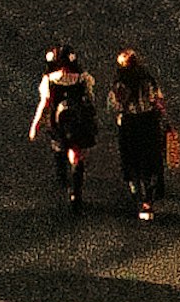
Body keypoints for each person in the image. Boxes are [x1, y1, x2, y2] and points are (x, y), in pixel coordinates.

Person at [31, 41, 100, 205]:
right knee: (77, 154)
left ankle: (63, 177)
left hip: (58, 123)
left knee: (59, 147)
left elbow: (45, 103)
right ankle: (76, 191)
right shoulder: (83, 78)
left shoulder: (49, 80)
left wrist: (36, 125)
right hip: (79, 121)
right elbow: (90, 98)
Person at [110, 47, 171, 220]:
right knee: (151, 159)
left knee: (130, 160)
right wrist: (165, 120)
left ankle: (137, 193)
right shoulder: (148, 79)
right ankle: (149, 199)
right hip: (149, 121)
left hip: (129, 123)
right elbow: (158, 100)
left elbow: (113, 105)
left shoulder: (119, 83)